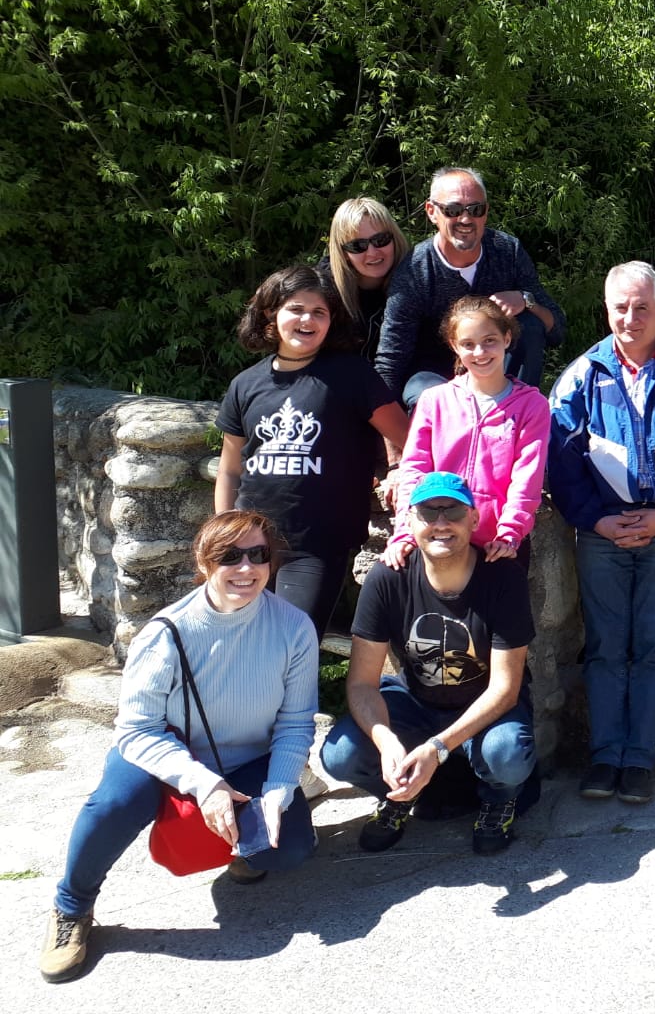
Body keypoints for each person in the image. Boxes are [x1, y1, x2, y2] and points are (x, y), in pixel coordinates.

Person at [40, 511, 319, 983]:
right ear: (205, 562)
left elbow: (295, 723)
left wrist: (279, 790)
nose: (246, 568)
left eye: (258, 554)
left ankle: (242, 849)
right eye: (230, 556)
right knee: (112, 804)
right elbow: (136, 731)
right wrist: (203, 785)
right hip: (168, 755)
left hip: (248, 758)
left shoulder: (293, 627)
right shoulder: (166, 633)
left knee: (288, 849)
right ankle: (71, 906)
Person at [548, 261, 655, 804]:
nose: (631, 317)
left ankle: (638, 759)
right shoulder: (581, 375)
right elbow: (560, 461)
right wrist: (596, 519)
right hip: (602, 532)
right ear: (607, 310)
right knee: (605, 649)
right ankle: (604, 758)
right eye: (621, 307)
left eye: (642, 307)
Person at [320, 473, 538, 855]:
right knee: (340, 754)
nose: (441, 523)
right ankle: (401, 792)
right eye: (427, 512)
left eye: (452, 511)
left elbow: (505, 689)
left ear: (473, 518)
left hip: (484, 707)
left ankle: (498, 799)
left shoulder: (503, 578)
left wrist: (437, 748)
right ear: (410, 521)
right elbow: (361, 683)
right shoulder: (387, 578)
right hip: (415, 701)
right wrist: (386, 742)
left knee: (507, 755)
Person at [215, 264, 409, 643]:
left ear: (331, 320)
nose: (307, 320)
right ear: (271, 313)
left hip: (317, 544)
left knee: (292, 643)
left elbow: (407, 436)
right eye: (296, 309)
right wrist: (223, 533)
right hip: (249, 544)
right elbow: (230, 469)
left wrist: (399, 469)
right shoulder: (245, 384)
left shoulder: (352, 375)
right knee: (240, 643)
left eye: (319, 312)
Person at [375, 166, 567, 411]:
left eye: (476, 209)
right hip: (436, 376)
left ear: (486, 213)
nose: (466, 219)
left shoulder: (507, 251)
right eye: (453, 210)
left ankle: (517, 415)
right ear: (432, 212)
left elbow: (556, 329)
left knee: (529, 325)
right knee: (426, 394)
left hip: (495, 369)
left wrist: (525, 300)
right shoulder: (413, 272)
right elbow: (392, 359)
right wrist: (390, 433)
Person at [383, 296, 551, 571]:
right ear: (454, 346)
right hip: (440, 537)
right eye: (468, 344)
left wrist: (509, 533)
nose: (480, 352)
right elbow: (414, 470)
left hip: (498, 544)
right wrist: (404, 531)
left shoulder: (532, 405)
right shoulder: (434, 401)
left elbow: (527, 478)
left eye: (489, 340)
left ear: (507, 338)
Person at [321, 196, 411, 362]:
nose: (372, 252)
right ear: (343, 253)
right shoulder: (321, 291)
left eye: (381, 240)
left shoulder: (416, 280)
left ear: (394, 239)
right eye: (358, 246)